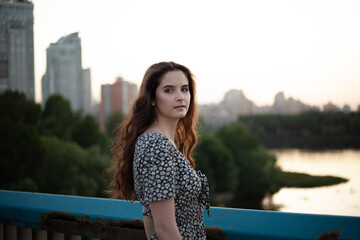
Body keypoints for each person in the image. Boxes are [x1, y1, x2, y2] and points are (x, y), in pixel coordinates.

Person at [109, 61, 210, 239]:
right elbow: (164, 229)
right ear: (153, 99)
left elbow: (148, 213)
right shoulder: (156, 145)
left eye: (185, 89)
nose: (180, 97)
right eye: (169, 90)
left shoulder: (161, 141)